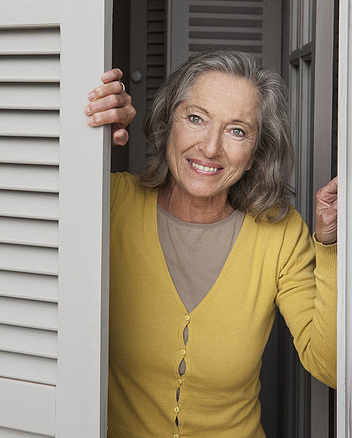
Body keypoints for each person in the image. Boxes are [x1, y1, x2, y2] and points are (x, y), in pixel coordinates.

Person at [85, 51, 337, 438]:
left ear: (255, 153)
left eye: (237, 131)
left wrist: (332, 246)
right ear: (169, 122)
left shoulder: (280, 234)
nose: (210, 147)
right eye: (196, 119)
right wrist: (81, 128)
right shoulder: (110, 203)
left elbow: (331, 366)